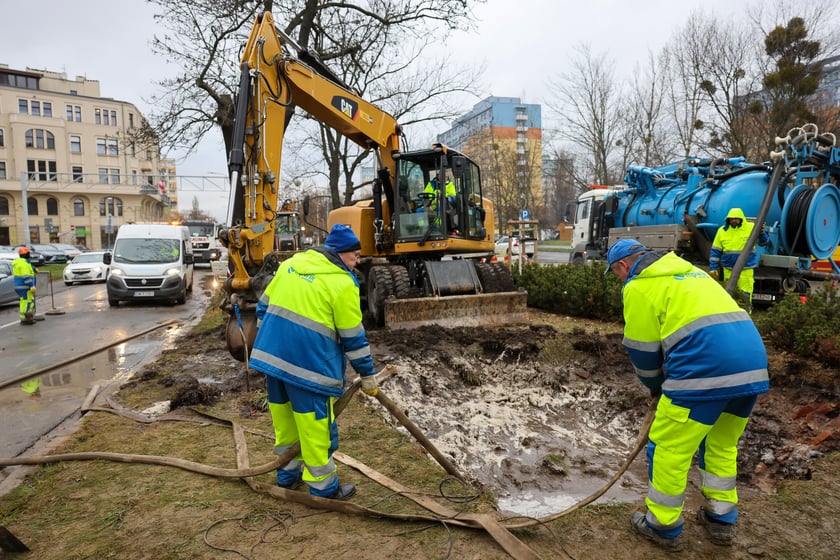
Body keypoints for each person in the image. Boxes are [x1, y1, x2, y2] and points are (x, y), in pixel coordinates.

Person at [606, 239, 769, 551]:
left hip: (703, 373)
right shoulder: (692, 273)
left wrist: (654, 386)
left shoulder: (638, 286)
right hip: (752, 369)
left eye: (616, 275)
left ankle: (662, 525)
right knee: (720, 444)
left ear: (623, 267)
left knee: (668, 448)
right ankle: (720, 519)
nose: (620, 281)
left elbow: (641, 350)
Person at [249, 224, 378, 501]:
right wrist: (367, 375)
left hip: (274, 362)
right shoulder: (342, 284)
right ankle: (324, 488)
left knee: (285, 424)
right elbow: (353, 338)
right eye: (355, 256)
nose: (357, 263)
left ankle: (287, 475)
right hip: (310, 369)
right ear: (339, 253)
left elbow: (262, 309)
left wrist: (275, 341)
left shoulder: (290, 266)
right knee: (316, 429)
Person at [709, 207, 768, 309]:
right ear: (728, 219)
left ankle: (746, 315)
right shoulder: (722, 231)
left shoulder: (751, 227)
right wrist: (713, 268)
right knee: (729, 295)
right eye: (731, 218)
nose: (734, 220)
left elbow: (764, 242)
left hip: (745, 270)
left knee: (745, 294)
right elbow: (715, 251)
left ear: (741, 218)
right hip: (728, 270)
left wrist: (762, 233)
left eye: (736, 218)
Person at [13, 247, 43, 326]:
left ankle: (25, 317)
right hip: (24, 286)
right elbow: (26, 277)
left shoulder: (21, 262)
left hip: (20, 286)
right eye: (28, 254)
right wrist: (31, 286)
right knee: (27, 302)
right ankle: (26, 319)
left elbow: (28, 267)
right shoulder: (23, 264)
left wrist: (34, 268)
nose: (29, 255)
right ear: (25, 254)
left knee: (24, 302)